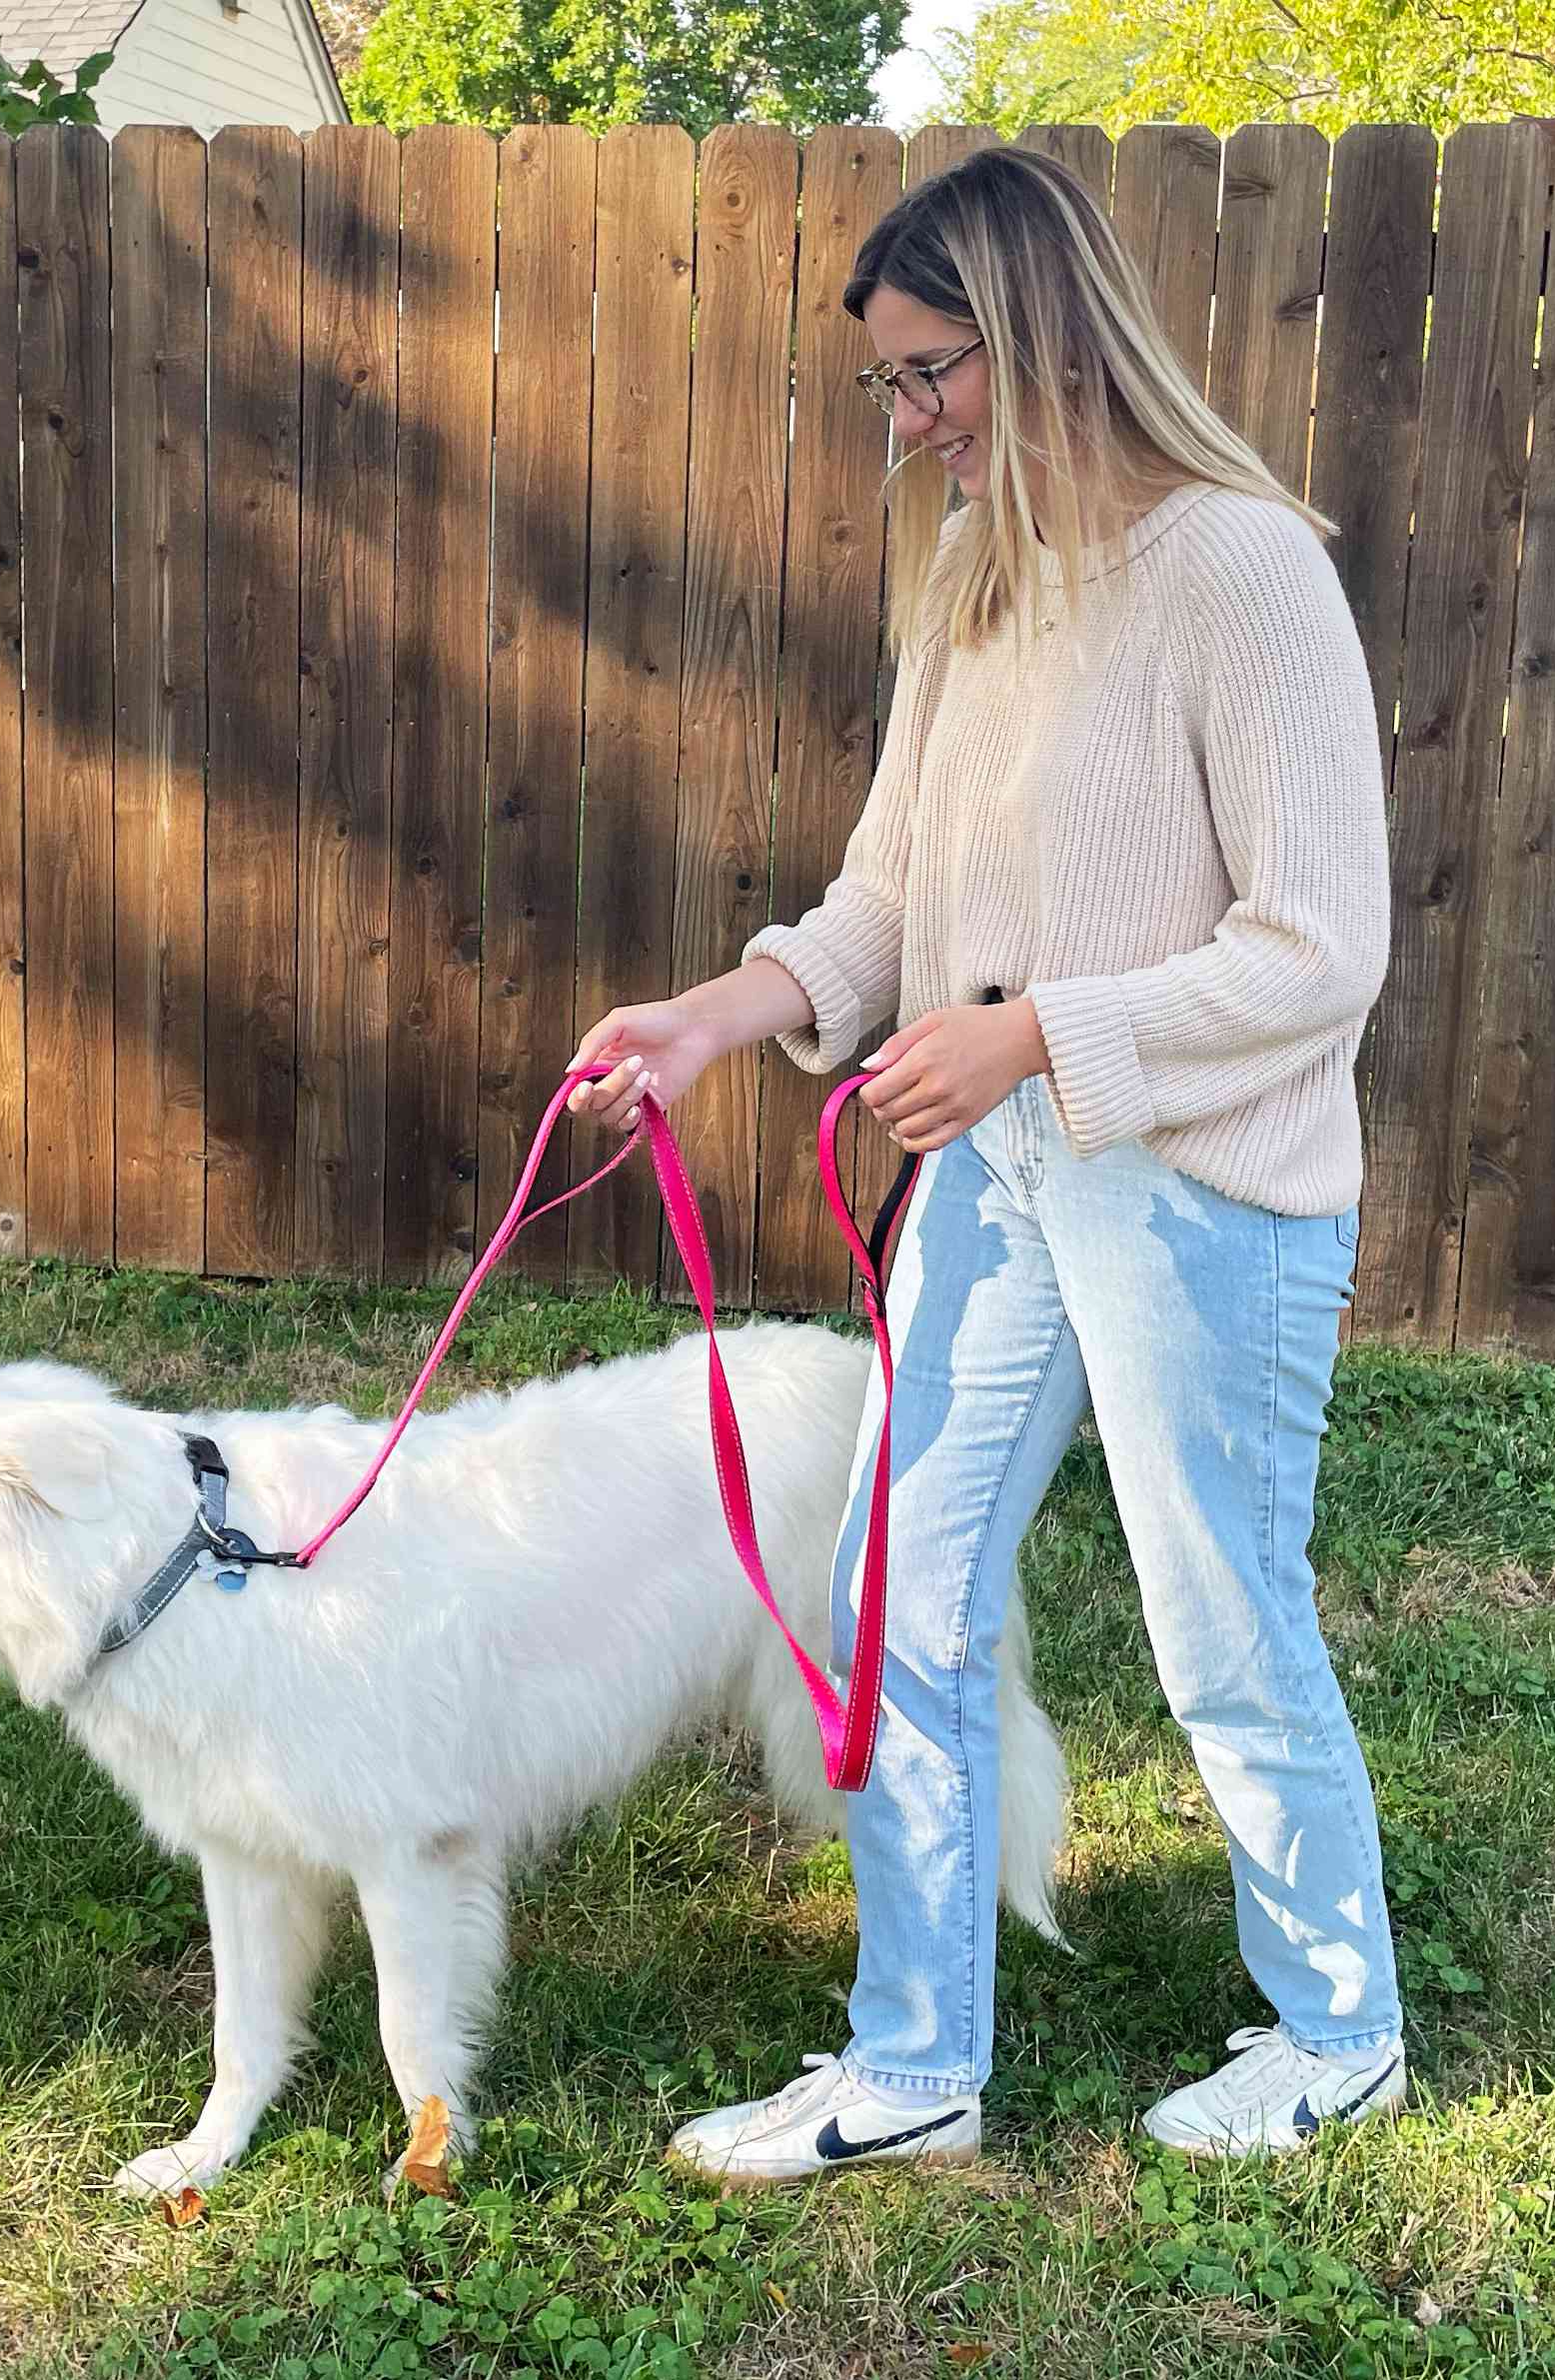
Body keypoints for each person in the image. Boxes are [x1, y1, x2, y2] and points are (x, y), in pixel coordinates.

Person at [566, 143, 1404, 2185]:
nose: (908, 420)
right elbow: (885, 896)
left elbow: (1321, 951)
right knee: (888, 1601)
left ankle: (1337, 2028)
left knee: (1220, 1628)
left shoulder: (1237, 570)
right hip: (994, 1181)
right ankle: (911, 2061)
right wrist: (718, 1014)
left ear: (1046, 339)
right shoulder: (970, 587)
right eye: (886, 383)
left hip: (1198, 1183)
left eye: (934, 371)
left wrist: (1040, 1033)